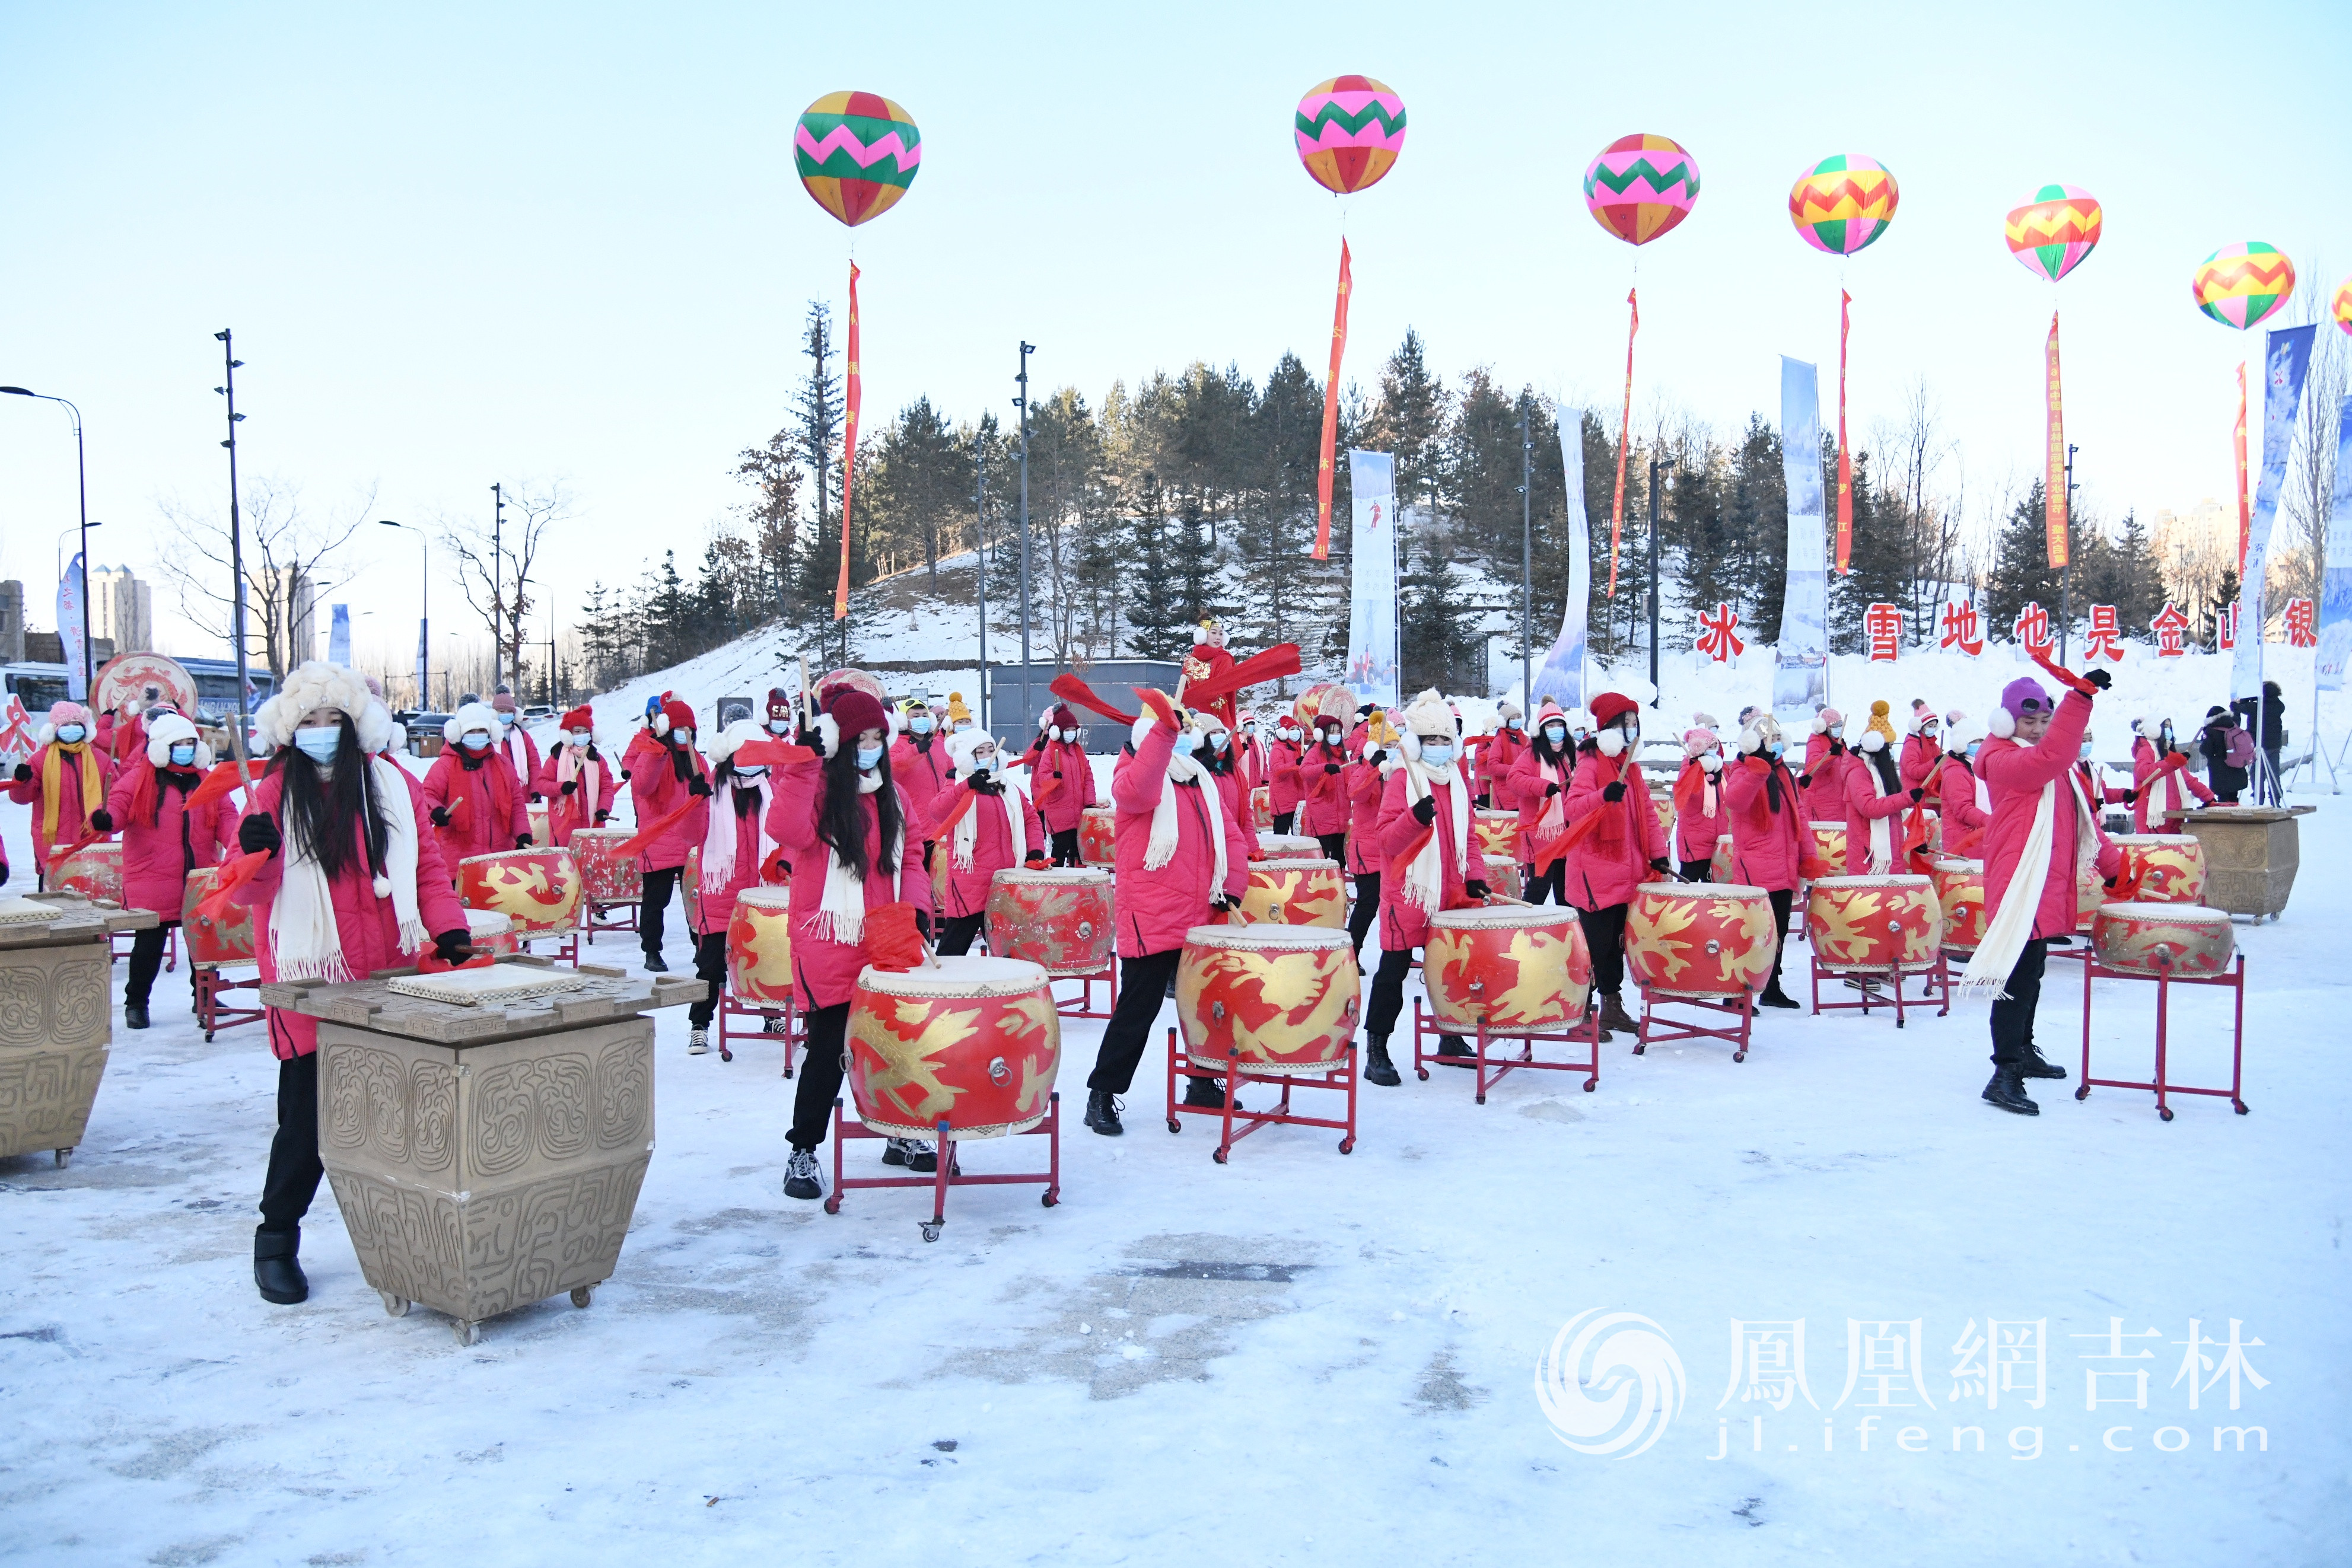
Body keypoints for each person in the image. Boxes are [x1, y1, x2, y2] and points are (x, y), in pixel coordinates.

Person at [228, 662, 471, 1304]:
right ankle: (276, 1239)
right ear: (290, 728)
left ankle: (408, 1234)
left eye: (333, 718)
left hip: (387, 975)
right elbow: (243, 892)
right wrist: (255, 851)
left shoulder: (392, 783)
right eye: (309, 719)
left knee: (400, 1116)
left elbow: (428, 872)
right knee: (308, 1127)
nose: (322, 729)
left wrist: (449, 931)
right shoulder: (270, 794)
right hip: (309, 983)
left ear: (354, 721)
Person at [768, 686, 935, 1193]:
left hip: (886, 937)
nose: (869, 746)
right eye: (859, 737)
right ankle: (803, 1148)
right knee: (828, 1052)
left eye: (876, 737)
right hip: (828, 938)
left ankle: (900, 1133)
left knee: (896, 1044)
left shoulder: (894, 795)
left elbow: (911, 860)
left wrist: (920, 909)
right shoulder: (817, 788)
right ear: (839, 741)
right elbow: (787, 830)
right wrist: (800, 765)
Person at [1083, 693, 1250, 1133]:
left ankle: (1200, 1081)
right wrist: (1163, 732)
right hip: (1152, 914)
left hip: (1202, 911)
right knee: (1138, 1009)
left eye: (1180, 735)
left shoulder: (1201, 780)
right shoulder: (1131, 777)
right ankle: (1102, 1093)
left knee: (1205, 1005)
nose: (1178, 743)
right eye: (1168, 736)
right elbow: (1138, 792)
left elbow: (1229, 837)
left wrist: (1231, 886)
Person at [1960, 668, 2121, 1115]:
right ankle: (2004, 1072)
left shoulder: (2062, 773)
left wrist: (2114, 868)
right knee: (2013, 980)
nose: (2037, 729)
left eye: (2044, 721)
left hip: (2045, 885)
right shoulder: (2001, 759)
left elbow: (2082, 821)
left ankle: (2024, 1051)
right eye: (2028, 721)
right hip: (2019, 885)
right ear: (2004, 722)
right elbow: (2048, 758)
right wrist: (2080, 698)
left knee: (2032, 973)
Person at [1360, 690, 1484, 1083]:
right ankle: (1377, 1048)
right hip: (1408, 892)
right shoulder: (1402, 780)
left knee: (1452, 969)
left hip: (1451, 891)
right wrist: (1414, 818)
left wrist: (1476, 875)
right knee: (1392, 972)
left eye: (1444, 740)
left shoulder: (1456, 783)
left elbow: (1470, 838)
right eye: (1430, 740)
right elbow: (1386, 841)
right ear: (1416, 742)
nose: (1437, 747)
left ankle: (1450, 1037)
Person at [91, 712, 231, 1028]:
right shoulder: (139, 778)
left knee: (203, 943)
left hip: (198, 877)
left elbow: (226, 816)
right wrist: (105, 819)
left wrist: (242, 840)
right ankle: (136, 1003)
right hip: (152, 877)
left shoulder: (207, 780)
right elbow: (117, 807)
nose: (184, 749)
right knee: (149, 945)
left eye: (189, 744)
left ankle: (205, 998)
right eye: (177, 744)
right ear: (162, 747)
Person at [1562, 692, 1670, 1038]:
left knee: (1614, 947)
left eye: (1635, 721)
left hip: (1627, 870)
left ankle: (1611, 1006)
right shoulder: (1591, 762)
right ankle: (1578, 1011)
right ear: (1608, 727)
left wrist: (1659, 852)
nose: (1632, 727)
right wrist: (1602, 796)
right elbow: (1573, 809)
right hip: (1594, 871)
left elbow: (1648, 815)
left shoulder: (1631, 765)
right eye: (1626, 722)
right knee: (1592, 946)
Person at [683, 721, 782, 1054]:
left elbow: (786, 832)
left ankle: (771, 1015)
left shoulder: (768, 790)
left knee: (765, 958)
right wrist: (695, 802)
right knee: (710, 966)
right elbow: (692, 835)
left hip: (760, 896)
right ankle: (699, 1024)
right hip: (721, 894)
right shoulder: (713, 790)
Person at [930, 725, 1046, 957]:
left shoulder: (1008, 788)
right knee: (953, 951)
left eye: (990, 750)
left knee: (1007, 953)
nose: (986, 756)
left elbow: (1031, 818)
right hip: (970, 883)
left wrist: (1035, 850)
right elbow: (938, 811)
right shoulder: (957, 785)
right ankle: (942, 992)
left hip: (1005, 881)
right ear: (967, 758)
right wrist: (967, 785)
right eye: (979, 752)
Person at [1723, 714, 1805, 1008]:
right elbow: (1735, 801)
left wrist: (1807, 856)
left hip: (1783, 865)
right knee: (1751, 932)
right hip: (1755, 868)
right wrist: (1760, 771)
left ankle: (1772, 985)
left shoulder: (1784, 774)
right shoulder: (1743, 770)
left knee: (1779, 930)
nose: (1777, 747)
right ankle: (1736, 991)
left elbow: (1800, 817)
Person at [626, 696, 712, 972]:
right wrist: (658, 753)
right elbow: (641, 786)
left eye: (689, 731)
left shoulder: (698, 760)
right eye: (679, 730)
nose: (685, 736)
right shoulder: (652, 754)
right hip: (659, 843)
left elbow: (708, 798)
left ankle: (700, 948)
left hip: (690, 843)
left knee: (695, 899)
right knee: (656, 902)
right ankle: (652, 950)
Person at [9, 701, 115, 887]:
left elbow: (116, 795)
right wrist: (21, 782)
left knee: (95, 895)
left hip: (92, 837)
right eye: (66, 726)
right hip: (53, 840)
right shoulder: (39, 760)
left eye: (77, 725)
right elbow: (23, 798)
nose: (72, 730)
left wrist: (110, 816)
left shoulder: (101, 759)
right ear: (55, 729)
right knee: (56, 895)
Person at [421, 700, 533, 874]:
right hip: (458, 862)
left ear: (491, 732)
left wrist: (523, 834)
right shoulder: (445, 765)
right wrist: (436, 811)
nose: (477, 735)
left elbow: (517, 805)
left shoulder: (503, 765)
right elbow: (427, 794)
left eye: (482, 730)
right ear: (459, 734)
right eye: (471, 731)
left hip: (499, 859)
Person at [1508, 702, 1577, 906]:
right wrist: (1543, 786)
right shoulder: (1531, 754)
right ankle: (1524, 931)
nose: (1555, 729)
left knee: (1566, 893)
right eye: (1550, 725)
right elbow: (1514, 779)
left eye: (1559, 724)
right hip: (1540, 835)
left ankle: (1565, 933)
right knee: (1538, 891)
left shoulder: (1570, 754)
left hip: (1567, 834)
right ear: (1541, 730)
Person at [1021, 703, 1096, 866]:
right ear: (1057, 731)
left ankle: (1079, 883)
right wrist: (1053, 778)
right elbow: (1042, 778)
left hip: (1079, 812)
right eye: (1067, 730)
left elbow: (1088, 777)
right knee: (1060, 849)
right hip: (1058, 811)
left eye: (1073, 730)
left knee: (1078, 852)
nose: (1070, 734)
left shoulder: (1078, 750)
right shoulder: (1049, 750)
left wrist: (1090, 801)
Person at [1343, 722, 1393, 968]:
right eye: (1387, 747)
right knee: (1368, 905)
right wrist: (1373, 767)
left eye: (1396, 747)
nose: (1391, 752)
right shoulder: (1363, 770)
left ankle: (1398, 954)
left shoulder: (1397, 774)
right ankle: (1352, 954)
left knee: (1396, 906)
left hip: (1393, 851)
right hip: (1368, 852)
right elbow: (1356, 792)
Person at [531, 706, 617, 846]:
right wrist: (561, 788)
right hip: (563, 827)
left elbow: (607, 788)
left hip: (593, 824)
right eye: (577, 732)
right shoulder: (557, 758)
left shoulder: (598, 760)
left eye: (586, 732)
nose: (582, 735)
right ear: (569, 734)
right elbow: (542, 785)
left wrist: (603, 808)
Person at [1842, 724, 1919, 874]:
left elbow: (1894, 816)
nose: (1892, 752)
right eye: (1890, 747)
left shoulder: (1880, 773)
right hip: (1869, 855)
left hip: (1891, 851)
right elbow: (1870, 808)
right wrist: (1907, 798)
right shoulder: (1858, 772)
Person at [890, 697, 953, 871]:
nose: (922, 718)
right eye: (916, 715)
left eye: (925, 715)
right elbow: (892, 769)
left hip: (944, 825)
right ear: (904, 720)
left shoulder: (940, 745)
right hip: (916, 827)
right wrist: (916, 750)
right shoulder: (896, 745)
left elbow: (952, 770)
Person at [2131, 714, 2214, 831]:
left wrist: (2209, 798)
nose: (2168, 730)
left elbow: (2188, 780)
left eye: (2169, 727)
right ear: (2155, 729)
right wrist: (2172, 763)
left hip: (2175, 816)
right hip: (2154, 820)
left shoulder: (2167, 753)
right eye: (2165, 726)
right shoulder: (2146, 750)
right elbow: (2143, 773)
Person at [1672, 719, 1724, 881]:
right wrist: (1697, 770)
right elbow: (1688, 794)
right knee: (1689, 891)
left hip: (1717, 842)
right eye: (1709, 747)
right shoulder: (1688, 767)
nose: (1713, 750)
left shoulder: (1720, 771)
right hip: (1694, 843)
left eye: (1715, 746)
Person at [1298, 708, 1352, 864]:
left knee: (1340, 860)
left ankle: (1340, 887)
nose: (1336, 735)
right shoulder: (1315, 752)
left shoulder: (1342, 754)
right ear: (1322, 734)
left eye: (1338, 732)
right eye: (1332, 732)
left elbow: (1349, 778)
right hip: (1322, 816)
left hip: (1342, 816)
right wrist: (1324, 768)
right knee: (1322, 859)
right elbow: (1304, 772)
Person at [1934, 719, 1990, 856]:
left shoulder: (1975, 767)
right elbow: (1963, 809)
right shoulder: (1956, 772)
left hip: (1975, 838)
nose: (1980, 745)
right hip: (1962, 842)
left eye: (1982, 741)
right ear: (1962, 745)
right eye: (1975, 741)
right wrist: (1990, 821)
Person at [491, 687, 541, 802]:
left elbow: (534, 763)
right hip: (496, 795)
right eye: (501, 711)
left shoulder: (523, 736)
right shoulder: (489, 737)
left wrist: (535, 790)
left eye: (509, 711)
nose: (506, 714)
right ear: (494, 713)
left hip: (523, 793)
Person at [1797, 706, 1848, 821]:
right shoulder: (1815, 741)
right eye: (1834, 727)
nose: (1838, 729)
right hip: (1823, 802)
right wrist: (1830, 754)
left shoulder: (1838, 742)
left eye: (1840, 726)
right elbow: (1813, 767)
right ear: (1824, 727)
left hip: (1838, 800)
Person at [1268, 707, 1307, 835]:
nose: (1296, 732)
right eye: (1292, 730)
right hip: (1283, 799)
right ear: (1284, 733)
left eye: (1297, 729)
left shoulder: (1301, 748)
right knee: (1281, 833)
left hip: (1299, 797)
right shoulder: (1277, 749)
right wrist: (1296, 764)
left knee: (1299, 834)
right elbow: (1277, 770)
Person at [1479, 702, 1526, 809]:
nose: (1517, 720)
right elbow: (1492, 766)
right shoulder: (1499, 740)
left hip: (1523, 790)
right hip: (1506, 792)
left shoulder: (1524, 739)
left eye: (1518, 717)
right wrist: (1515, 769)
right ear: (1506, 721)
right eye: (1513, 718)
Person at [2200, 706, 2250, 804]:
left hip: (2220, 773)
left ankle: (2227, 819)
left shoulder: (2211, 731)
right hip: (2236, 769)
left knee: (2223, 804)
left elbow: (2206, 750)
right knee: (2234, 799)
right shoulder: (2233, 726)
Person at [1900, 702, 1942, 801]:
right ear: (1920, 726)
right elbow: (1914, 772)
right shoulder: (1911, 746)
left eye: (1934, 726)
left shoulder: (1934, 745)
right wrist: (1935, 762)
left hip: (1931, 797)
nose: (1933, 729)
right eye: (1930, 726)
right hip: (1916, 798)